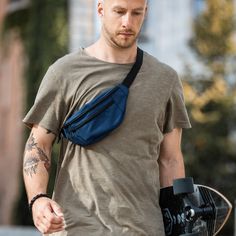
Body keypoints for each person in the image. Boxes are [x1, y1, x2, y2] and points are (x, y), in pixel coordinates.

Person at [22, 0, 191, 235]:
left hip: (144, 228)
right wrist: (38, 199)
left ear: (146, 13)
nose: (127, 22)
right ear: (100, 9)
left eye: (136, 13)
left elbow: (170, 159)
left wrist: (180, 223)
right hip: (76, 227)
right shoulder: (64, 73)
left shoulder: (166, 80)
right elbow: (38, 143)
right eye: (119, 12)